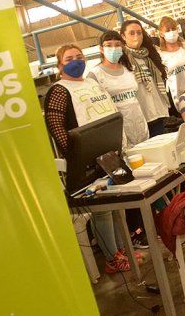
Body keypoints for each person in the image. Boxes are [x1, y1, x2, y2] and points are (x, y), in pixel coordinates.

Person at [43, 44, 131, 274]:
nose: (76, 61)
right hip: (86, 159)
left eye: (79, 56)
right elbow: (55, 125)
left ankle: (122, 250)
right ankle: (112, 258)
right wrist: (76, 155)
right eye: (69, 58)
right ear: (59, 65)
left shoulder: (92, 83)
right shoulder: (59, 90)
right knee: (103, 209)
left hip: (108, 153)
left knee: (116, 203)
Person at [87, 30, 149, 147]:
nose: (113, 48)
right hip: (117, 131)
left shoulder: (130, 69)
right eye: (109, 45)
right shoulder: (95, 74)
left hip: (139, 125)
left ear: (122, 47)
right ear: (101, 49)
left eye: (117, 45)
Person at [120, 19, 170, 137]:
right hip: (141, 116)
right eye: (131, 33)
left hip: (158, 111)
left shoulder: (149, 56)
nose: (136, 36)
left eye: (139, 32)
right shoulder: (122, 60)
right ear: (123, 36)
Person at [157, 16, 185, 105]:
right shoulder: (160, 55)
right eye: (168, 30)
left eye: (173, 29)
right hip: (176, 96)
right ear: (162, 34)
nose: (172, 32)